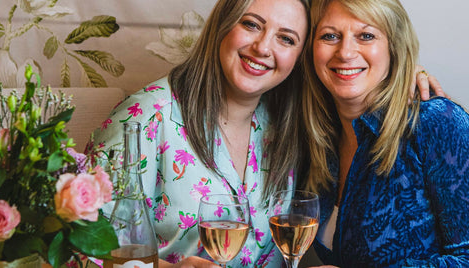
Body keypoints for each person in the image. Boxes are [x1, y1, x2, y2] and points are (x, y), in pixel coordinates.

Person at [88, 0, 443, 267]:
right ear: (222, 26)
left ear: (299, 57)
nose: (263, 48)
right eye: (252, 25)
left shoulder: (295, 121)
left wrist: (402, 73)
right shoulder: (145, 117)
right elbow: (76, 248)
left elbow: (348, 68)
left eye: (286, 39)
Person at [300, 0, 469, 267]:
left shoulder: (436, 121)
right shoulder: (313, 134)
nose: (345, 52)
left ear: (394, 48)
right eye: (330, 36)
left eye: (366, 36)